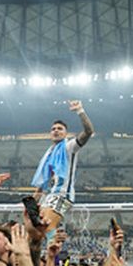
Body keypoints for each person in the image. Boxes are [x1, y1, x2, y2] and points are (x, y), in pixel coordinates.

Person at [31, 100, 95, 233]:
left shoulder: (68, 147)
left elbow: (88, 131)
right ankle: (51, 252)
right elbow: (42, 184)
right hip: (48, 196)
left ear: (66, 134)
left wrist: (80, 111)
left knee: (47, 229)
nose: (56, 131)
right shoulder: (49, 154)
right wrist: (31, 204)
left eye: (60, 129)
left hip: (62, 195)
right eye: (53, 129)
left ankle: (55, 252)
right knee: (34, 231)